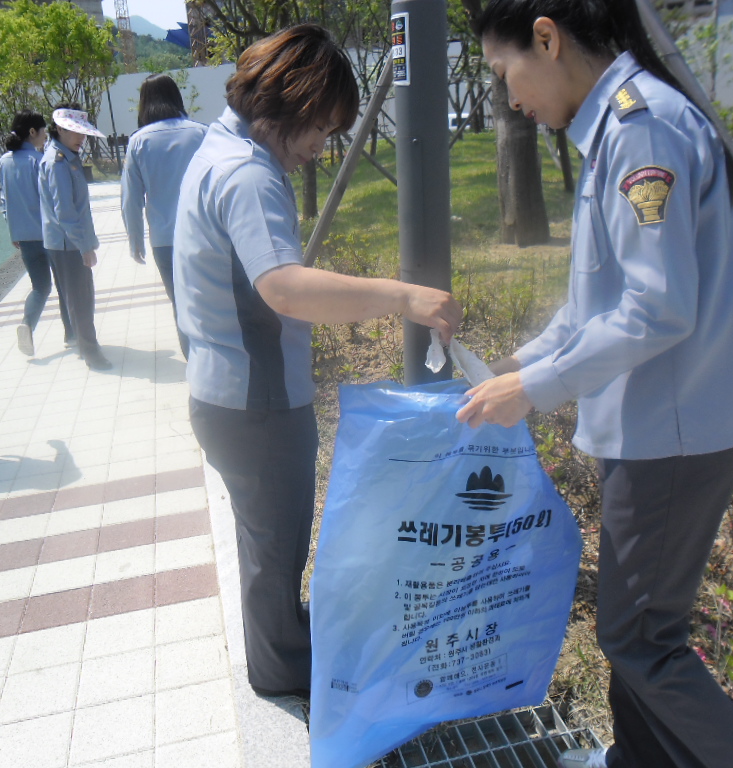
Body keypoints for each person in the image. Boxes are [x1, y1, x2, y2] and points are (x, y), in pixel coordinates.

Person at [458, 2, 733, 768]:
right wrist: (520, 366)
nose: (509, 96)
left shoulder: (643, 129)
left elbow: (656, 307)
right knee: (636, 630)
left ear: (547, 38)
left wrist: (536, 389)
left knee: (640, 639)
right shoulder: (616, 127)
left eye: (505, 71)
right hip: (656, 428)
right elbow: (594, 302)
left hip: (671, 435)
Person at [174, 24, 462, 700]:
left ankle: (281, 641)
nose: (320, 148)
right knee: (276, 549)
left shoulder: (216, 149)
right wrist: (404, 297)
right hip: (258, 404)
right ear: (292, 103)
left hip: (225, 394)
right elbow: (285, 287)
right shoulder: (248, 174)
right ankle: (284, 674)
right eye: (322, 128)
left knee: (265, 543)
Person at [121, 74, 207, 358]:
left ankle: (194, 363)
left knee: (180, 304)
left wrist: (135, 240)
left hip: (165, 240)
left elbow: (131, 199)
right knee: (210, 298)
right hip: (205, 233)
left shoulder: (138, 142)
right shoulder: (201, 133)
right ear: (176, 97)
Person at [39, 103, 111, 371]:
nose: (81, 137)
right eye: (75, 132)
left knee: (74, 297)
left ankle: (82, 344)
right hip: (67, 243)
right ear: (59, 129)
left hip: (64, 242)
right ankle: (91, 353)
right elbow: (66, 213)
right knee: (81, 300)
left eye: (83, 132)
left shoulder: (64, 157)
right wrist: (84, 247)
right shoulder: (58, 163)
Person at [0, 109, 74, 356]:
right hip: (49, 233)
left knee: (40, 287)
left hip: (23, 236)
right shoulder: (38, 160)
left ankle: (27, 324)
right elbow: (50, 198)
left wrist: (14, 231)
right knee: (64, 285)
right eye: (43, 132)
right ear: (32, 132)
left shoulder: (4, 162)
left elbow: (4, 201)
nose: (45, 137)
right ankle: (71, 335)